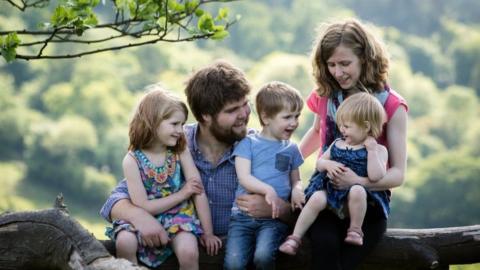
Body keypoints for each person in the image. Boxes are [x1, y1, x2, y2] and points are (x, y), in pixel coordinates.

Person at [99, 61, 294, 260]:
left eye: (245, 104)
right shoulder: (173, 143)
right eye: (232, 110)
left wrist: (278, 209)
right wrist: (139, 216)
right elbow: (115, 201)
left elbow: (297, 212)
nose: (244, 114)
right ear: (205, 116)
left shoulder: (260, 148)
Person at [299, 19, 408, 269]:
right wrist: (285, 166)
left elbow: (398, 174)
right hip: (326, 197)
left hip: (368, 203)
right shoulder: (326, 94)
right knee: (324, 249)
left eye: (345, 63)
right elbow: (317, 132)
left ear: (365, 59)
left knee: (347, 261)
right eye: (332, 64)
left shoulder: (391, 105)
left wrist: (357, 182)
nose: (338, 72)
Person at [105, 86, 222, 269]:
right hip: (144, 216)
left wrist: (208, 233)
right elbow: (143, 206)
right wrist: (182, 194)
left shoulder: (179, 151)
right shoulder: (132, 160)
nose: (180, 131)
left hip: (178, 217)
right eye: (174, 124)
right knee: (124, 243)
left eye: (182, 125)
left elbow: (198, 192)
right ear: (153, 122)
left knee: (189, 252)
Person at [279, 92, 388, 256]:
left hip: (355, 198)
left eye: (347, 126)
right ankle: (294, 238)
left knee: (357, 190)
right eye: (341, 125)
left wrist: (371, 150)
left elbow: (376, 176)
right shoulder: (337, 143)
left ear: (366, 127)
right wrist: (328, 164)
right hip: (331, 192)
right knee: (316, 198)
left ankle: (355, 230)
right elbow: (320, 163)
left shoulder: (378, 150)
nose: (341, 130)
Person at [224, 82, 304, 270]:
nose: (294, 122)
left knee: (264, 257)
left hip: (273, 220)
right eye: (287, 117)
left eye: (297, 116)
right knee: (234, 263)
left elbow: (296, 179)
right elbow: (244, 177)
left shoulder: (291, 149)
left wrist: (298, 190)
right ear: (266, 117)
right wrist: (267, 189)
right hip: (242, 219)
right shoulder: (248, 143)